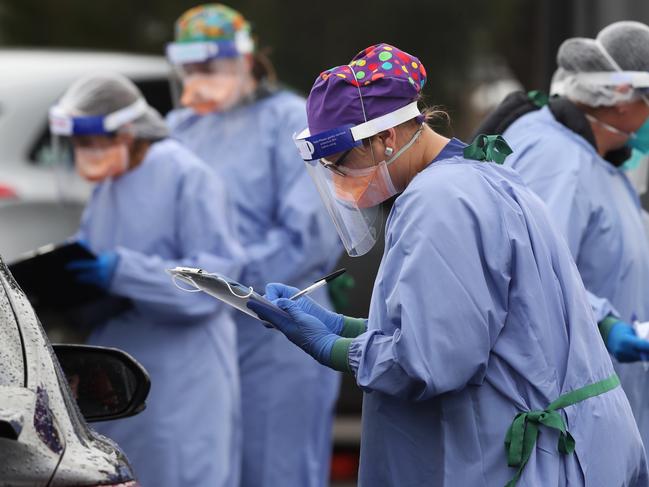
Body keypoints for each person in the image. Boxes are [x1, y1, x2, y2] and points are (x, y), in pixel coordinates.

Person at [248, 43, 649, 486]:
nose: (340, 183)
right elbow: (465, 326)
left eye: (341, 164)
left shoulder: (439, 200)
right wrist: (340, 324)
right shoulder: (473, 175)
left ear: (387, 139)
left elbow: (430, 361)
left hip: (526, 460)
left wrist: (330, 347)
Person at [165, 5, 343, 487]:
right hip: (201, 332)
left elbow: (309, 235)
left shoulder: (290, 120)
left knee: (277, 467)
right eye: (190, 68)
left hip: (278, 324)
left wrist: (224, 282)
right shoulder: (179, 129)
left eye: (211, 67)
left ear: (245, 61)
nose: (199, 78)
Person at [50, 73, 245, 487]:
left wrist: (124, 272)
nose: (84, 153)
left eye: (91, 141)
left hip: (182, 374)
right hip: (119, 371)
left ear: (127, 132)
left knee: (179, 470)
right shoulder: (110, 184)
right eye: (78, 144)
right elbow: (94, 248)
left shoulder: (186, 175)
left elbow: (215, 283)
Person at [492, 21, 649, 447]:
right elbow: (535, 273)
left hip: (605, 404)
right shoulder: (554, 157)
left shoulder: (603, 162)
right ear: (622, 99)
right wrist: (604, 323)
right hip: (569, 409)